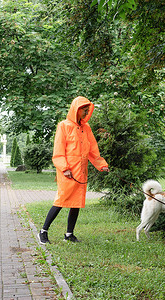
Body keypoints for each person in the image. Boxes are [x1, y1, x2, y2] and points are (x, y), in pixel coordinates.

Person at [38, 96, 109, 244]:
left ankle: (69, 234)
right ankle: (43, 231)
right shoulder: (63, 126)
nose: (86, 112)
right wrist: (64, 168)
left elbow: (93, 150)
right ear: (76, 109)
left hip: (81, 171)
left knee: (76, 202)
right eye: (84, 110)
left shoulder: (86, 128)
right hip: (67, 172)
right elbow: (58, 151)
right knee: (61, 200)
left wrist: (101, 164)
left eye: (87, 110)